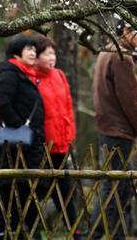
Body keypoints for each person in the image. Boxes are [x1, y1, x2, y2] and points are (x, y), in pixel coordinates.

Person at [91, 20, 137, 240]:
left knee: (115, 185)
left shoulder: (106, 51)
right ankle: (99, 233)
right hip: (119, 130)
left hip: (108, 126)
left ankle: (111, 233)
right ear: (126, 31)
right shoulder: (121, 56)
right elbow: (131, 99)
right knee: (115, 188)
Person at [0, 33, 46, 237]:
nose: (33, 52)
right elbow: (3, 105)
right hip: (15, 145)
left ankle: (24, 233)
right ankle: (12, 232)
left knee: (26, 190)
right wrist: (20, 127)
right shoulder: (9, 73)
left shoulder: (25, 74)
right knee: (13, 191)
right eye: (28, 49)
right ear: (17, 52)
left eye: (35, 49)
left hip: (28, 144)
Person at [33, 35, 81, 236]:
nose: (52, 57)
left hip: (61, 146)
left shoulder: (59, 75)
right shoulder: (32, 78)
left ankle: (76, 231)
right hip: (42, 147)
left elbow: (68, 109)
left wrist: (70, 138)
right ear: (36, 56)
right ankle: (31, 231)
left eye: (53, 53)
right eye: (47, 53)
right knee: (35, 193)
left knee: (65, 192)